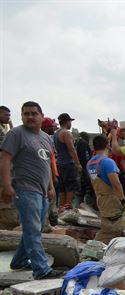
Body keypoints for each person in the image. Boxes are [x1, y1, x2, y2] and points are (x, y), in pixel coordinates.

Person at [0, 101, 62, 279]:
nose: (30, 117)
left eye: (34, 113)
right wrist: (7, 185)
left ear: (41, 116)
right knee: (33, 229)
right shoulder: (15, 134)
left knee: (35, 228)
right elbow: (5, 160)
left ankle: (18, 261)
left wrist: (50, 188)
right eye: (26, 114)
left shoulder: (46, 138)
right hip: (25, 189)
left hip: (42, 191)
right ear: (22, 117)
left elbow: (47, 165)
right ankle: (41, 270)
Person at [86, 135, 125, 243]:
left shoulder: (90, 163)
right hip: (112, 200)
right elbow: (116, 184)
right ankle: (93, 250)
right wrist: (124, 201)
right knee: (113, 228)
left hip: (100, 198)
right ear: (107, 146)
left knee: (110, 226)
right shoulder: (108, 162)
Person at [54, 113, 82, 210]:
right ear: (67, 122)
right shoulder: (66, 133)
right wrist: (78, 164)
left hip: (59, 163)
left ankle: (61, 208)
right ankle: (68, 206)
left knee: (62, 187)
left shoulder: (56, 133)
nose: (71, 124)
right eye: (70, 121)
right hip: (68, 164)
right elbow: (72, 149)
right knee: (70, 186)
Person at [75, 131, 96, 208]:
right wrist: (88, 170)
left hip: (78, 170)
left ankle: (79, 207)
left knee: (80, 192)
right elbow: (86, 158)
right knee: (88, 189)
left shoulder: (77, 143)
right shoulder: (83, 143)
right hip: (84, 170)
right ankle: (88, 207)